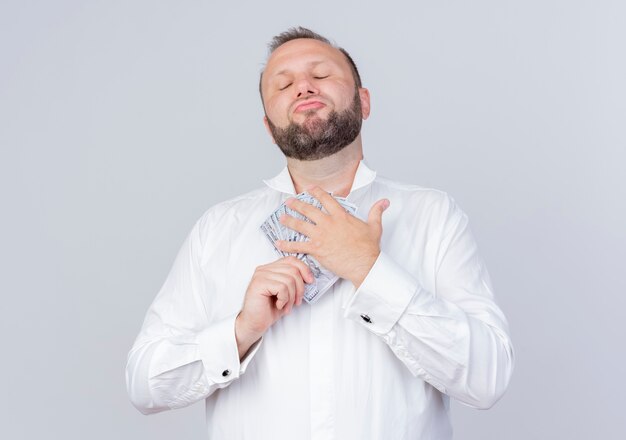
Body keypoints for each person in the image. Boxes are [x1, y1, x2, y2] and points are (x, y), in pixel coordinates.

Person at [126, 27, 515, 439]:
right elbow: (144, 385)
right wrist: (241, 331)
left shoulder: (432, 215)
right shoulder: (218, 229)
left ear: (363, 101)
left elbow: (487, 378)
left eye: (322, 74)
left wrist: (370, 270)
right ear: (268, 124)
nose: (303, 87)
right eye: (284, 83)